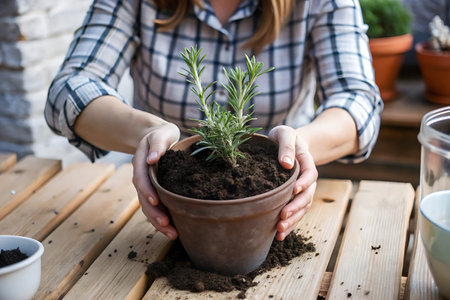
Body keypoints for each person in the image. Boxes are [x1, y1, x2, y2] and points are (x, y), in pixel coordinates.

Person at [45, 0, 383, 242]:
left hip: (276, 213)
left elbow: (358, 99)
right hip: (164, 210)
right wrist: (147, 132)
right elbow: (69, 88)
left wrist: (302, 143)